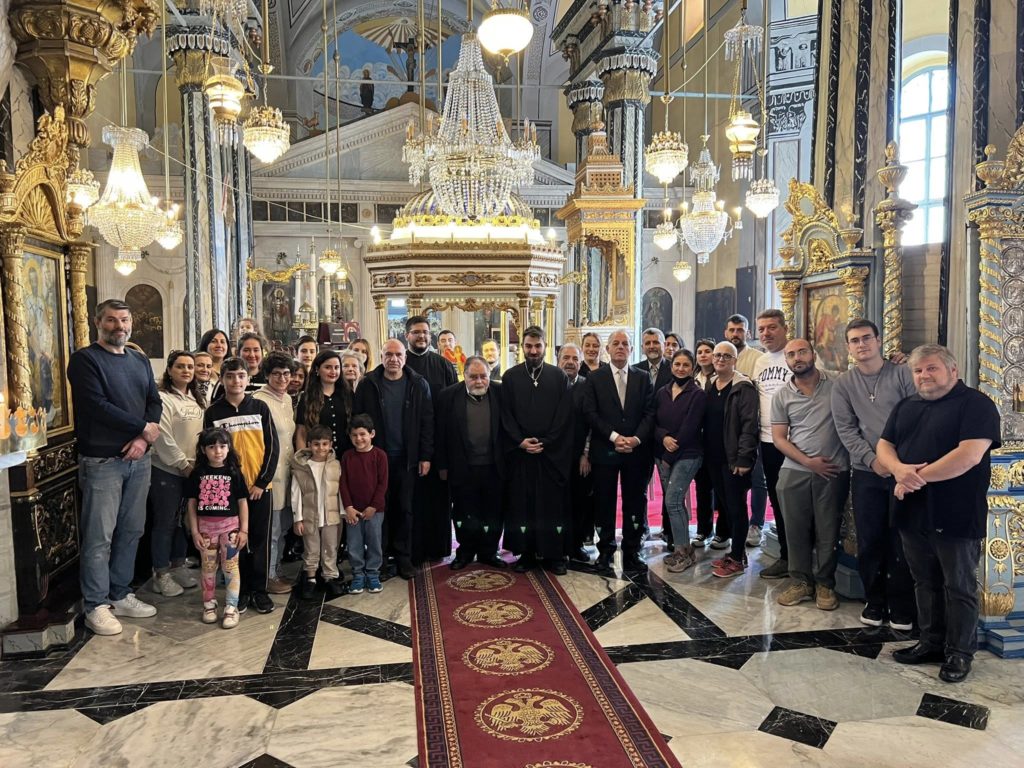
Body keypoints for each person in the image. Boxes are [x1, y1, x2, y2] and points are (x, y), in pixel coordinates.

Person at [877, 345, 1000, 683]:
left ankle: (959, 653)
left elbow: (969, 456)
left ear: (952, 370)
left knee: (958, 586)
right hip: (911, 510)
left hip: (956, 511)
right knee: (924, 581)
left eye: (931, 368)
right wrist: (899, 469)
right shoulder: (907, 405)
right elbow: (884, 445)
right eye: (918, 371)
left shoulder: (976, 404)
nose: (924, 376)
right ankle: (930, 642)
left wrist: (911, 478)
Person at [68, 299, 162, 636]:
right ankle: (96, 604)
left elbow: (154, 400)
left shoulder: (138, 359)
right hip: (103, 462)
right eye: (111, 320)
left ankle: (120, 592)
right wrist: (141, 429)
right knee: (99, 537)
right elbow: (96, 406)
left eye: (123, 320)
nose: (118, 326)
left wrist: (143, 439)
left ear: (131, 323)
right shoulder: (85, 360)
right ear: (98, 323)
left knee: (132, 530)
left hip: (139, 458)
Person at [831, 319, 917, 630]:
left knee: (901, 538)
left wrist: (894, 463)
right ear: (849, 347)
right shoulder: (843, 384)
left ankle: (902, 605)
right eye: (854, 340)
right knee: (871, 537)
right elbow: (846, 430)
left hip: (904, 469)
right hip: (867, 471)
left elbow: (914, 417)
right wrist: (871, 459)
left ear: (878, 340)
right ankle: (875, 600)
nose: (861, 344)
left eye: (867, 338)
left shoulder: (902, 373)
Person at [772, 338, 849, 611]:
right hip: (794, 470)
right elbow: (779, 438)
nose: (797, 358)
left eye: (802, 351)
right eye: (791, 354)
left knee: (828, 529)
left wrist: (895, 361)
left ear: (813, 354)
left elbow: (869, 375)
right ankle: (801, 582)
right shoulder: (782, 395)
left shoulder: (839, 383)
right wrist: (808, 461)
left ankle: (825, 585)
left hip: (833, 469)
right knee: (795, 531)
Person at [204, 357, 280, 614]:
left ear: (248, 379)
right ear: (222, 379)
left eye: (240, 376)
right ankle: (241, 589)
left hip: (259, 490)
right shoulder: (213, 412)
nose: (236, 381)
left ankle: (259, 590)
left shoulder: (260, 407)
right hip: (230, 493)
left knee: (259, 539)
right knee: (233, 542)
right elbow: (209, 452)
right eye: (230, 376)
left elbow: (272, 447)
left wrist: (262, 482)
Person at [353, 339, 433, 579]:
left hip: (408, 459)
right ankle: (382, 559)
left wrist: (426, 455)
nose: (393, 359)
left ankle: (403, 558)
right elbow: (358, 420)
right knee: (379, 511)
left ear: (405, 357)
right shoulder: (368, 384)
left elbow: (427, 422)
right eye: (388, 354)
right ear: (381, 356)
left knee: (405, 508)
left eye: (398, 354)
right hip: (377, 459)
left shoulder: (418, 384)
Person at [582, 330, 656, 574]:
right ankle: (605, 551)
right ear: (608, 349)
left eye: (625, 344)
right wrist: (614, 437)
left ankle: (632, 552)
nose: (621, 347)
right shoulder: (595, 378)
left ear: (632, 350)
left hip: (636, 452)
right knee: (604, 503)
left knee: (635, 502)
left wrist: (635, 439)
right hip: (606, 450)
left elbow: (649, 413)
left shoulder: (643, 377)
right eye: (616, 343)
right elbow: (591, 413)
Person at [501, 326, 573, 573]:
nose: (533, 351)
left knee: (552, 506)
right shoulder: (510, 377)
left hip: (550, 456)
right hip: (521, 455)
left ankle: (554, 555)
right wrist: (520, 441)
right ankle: (527, 553)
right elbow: (505, 416)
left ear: (545, 347)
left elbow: (564, 416)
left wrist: (547, 442)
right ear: (522, 347)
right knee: (523, 505)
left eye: (538, 346)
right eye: (529, 346)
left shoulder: (558, 376)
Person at [436, 356, 507, 570]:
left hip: (494, 467)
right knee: (464, 512)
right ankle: (465, 552)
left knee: (493, 512)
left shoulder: (501, 393)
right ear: (464, 376)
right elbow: (440, 433)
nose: (479, 381)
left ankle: (489, 551)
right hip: (462, 466)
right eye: (473, 376)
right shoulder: (448, 396)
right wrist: (442, 466)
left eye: (483, 376)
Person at [150, 350, 205, 598]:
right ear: (170, 370)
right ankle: (160, 573)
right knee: (166, 521)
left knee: (186, 519)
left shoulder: (195, 398)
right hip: (168, 470)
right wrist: (182, 465)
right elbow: (163, 436)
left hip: (192, 470)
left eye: (190, 367)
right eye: (180, 366)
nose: (186, 371)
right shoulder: (163, 399)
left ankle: (178, 563)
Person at [702, 342, 760, 578]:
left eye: (727, 356)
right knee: (725, 505)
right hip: (714, 457)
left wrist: (744, 458)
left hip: (734, 458)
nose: (721, 359)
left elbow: (749, 426)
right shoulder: (711, 385)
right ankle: (737, 553)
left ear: (735, 360)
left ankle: (737, 558)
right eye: (717, 355)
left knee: (736, 508)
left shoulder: (743, 387)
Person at [403, 316, 457, 562]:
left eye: (425, 332)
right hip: (409, 445)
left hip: (440, 442)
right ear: (407, 336)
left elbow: (454, 402)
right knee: (412, 500)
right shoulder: (400, 365)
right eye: (416, 332)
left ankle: (438, 548)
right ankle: (412, 550)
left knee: (438, 500)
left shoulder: (443, 364)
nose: (421, 336)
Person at [185, 427, 249, 629]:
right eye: (212, 447)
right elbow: (191, 504)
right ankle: (209, 604)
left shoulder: (234, 472)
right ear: (204, 450)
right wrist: (194, 531)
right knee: (208, 568)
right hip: (206, 531)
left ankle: (231, 607)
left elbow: (242, 502)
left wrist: (244, 530)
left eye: (222, 446)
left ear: (229, 448)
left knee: (230, 567)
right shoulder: (198, 473)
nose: (218, 451)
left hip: (230, 529)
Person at [654, 349, 706, 573]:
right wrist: (663, 437)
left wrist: (668, 455)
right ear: (671, 366)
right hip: (662, 452)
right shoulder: (662, 392)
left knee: (673, 501)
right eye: (677, 364)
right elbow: (653, 421)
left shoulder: (697, 394)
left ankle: (683, 552)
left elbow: (690, 427)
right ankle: (682, 548)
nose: (681, 369)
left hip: (687, 454)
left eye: (686, 365)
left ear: (692, 368)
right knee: (674, 503)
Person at [752, 309, 793, 579]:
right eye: (762, 329)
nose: (766, 333)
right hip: (767, 441)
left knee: (795, 502)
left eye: (772, 328)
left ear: (784, 328)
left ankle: (798, 558)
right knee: (777, 501)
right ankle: (787, 556)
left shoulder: (795, 355)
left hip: (795, 442)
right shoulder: (760, 361)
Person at [253, 352, 298, 595]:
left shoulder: (287, 400)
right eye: (277, 373)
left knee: (282, 527)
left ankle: (276, 568)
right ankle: (266, 575)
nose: (282, 378)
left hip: (288, 472)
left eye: (286, 373)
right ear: (267, 375)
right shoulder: (259, 401)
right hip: (270, 474)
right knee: (271, 529)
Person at [291, 424, 346, 599]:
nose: (320, 448)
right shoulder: (302, 467)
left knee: (331, 547)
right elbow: (296, 494)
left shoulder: (336, 465)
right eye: (316, 444)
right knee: (311, 548)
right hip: (309, 517)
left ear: (330, 445)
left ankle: (330, 577)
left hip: (331, 516)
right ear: (309, 445)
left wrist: (343, 513)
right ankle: (311, 578)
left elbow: (341, 491)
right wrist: (298, 519)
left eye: (324, 444)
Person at [340, 415, 389, 593]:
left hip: (374, 511)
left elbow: (383, 483)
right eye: (354, 435)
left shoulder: (380, 456)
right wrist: (348, 507)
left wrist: (373, 507)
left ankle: (373, 573)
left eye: (362, 434)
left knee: (374, 541)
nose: (359, 439)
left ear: (372, 434)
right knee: (354, 543)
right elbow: (342, 483)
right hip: (353, 511)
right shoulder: (347, 457)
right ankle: (358, 574)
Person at [559, 343, 594, 562]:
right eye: (566, 358)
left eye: (575, 359)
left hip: (580, 454)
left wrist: (586, 453)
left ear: (580, 363)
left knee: (580, 501)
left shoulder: (588, 386)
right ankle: (557, 545)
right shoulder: (550, 384)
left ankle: (576, 544)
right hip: (554, 456)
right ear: (559, 360)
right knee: (556, 502)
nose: (570, 362)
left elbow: (591, 422)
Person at [296, 350, 350, 452]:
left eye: (336, 367)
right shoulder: (307, 397)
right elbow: (301, 432)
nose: (333, 371)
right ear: (317, 369)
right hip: (318, 457)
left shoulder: (347, 394)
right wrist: (302, 462)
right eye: (328, 367)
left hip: (346, 456)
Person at [635, 327, 673, 393]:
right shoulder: (635, 370)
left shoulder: (674, 369)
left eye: (656, 342)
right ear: (642, 347)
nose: (651, 346)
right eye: (647, 343)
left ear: (664, 345)